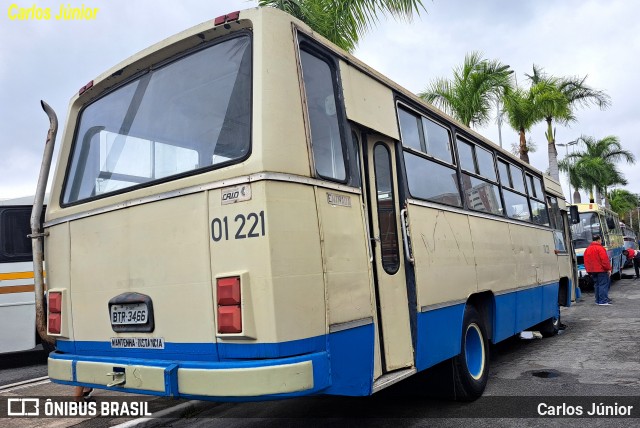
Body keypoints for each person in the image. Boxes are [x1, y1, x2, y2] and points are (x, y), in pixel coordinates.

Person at [583, 235, 612, 305]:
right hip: (601, 270)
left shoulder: (587, 249)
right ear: (599, 240)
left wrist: (588, 270)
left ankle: (598, 300)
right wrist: (608, 269)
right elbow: (605, 260)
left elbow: (586, 261)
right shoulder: (600, 248)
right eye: (601, 240)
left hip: (592, 271)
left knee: (597, 285)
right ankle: (603, 301)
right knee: (603, 285)